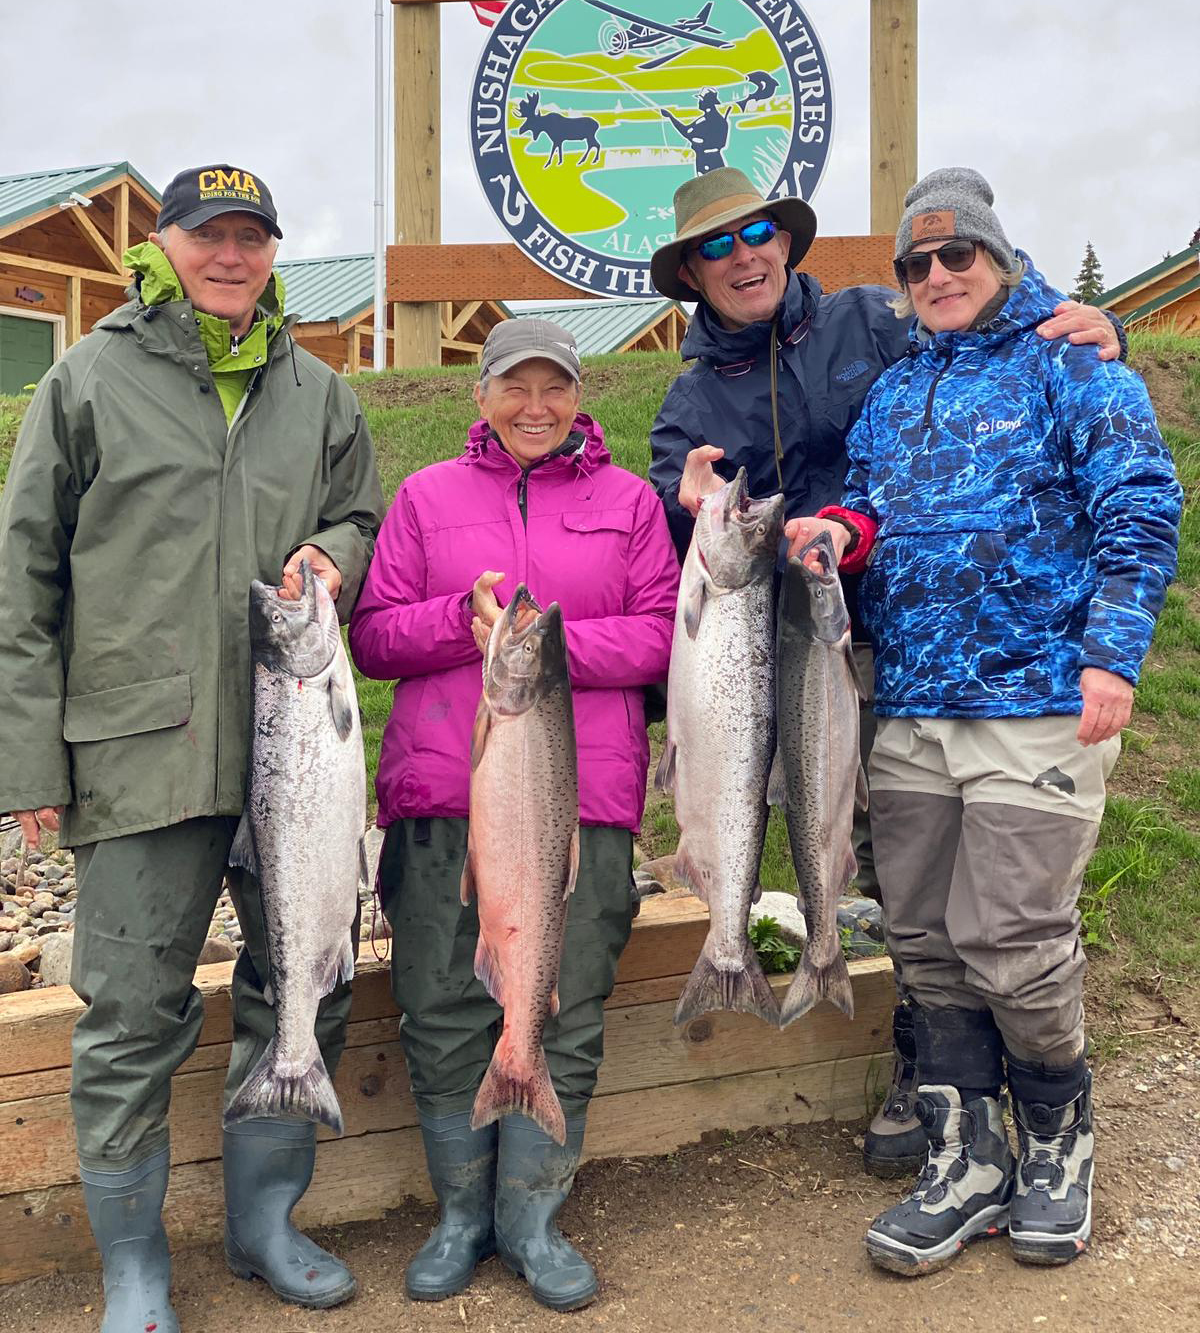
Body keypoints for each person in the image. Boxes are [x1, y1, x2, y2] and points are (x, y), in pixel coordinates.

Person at [647, 165, 1125, 1178]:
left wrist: (1089, 321)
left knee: (881, 841)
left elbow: (987, 344)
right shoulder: (688, 398)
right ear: (691, 271)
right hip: (760, 638)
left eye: (759, 232)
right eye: (718, 246)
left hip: (897, 637)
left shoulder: (877, 319)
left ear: (788, 238)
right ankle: (947, 1079)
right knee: (875, 866)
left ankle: (926, 1063)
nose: (745, 256)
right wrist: (688, 509)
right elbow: (669, 533)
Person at [0, 165, 384, 1331]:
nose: (232, 255)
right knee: (126, 1014)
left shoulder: (320, 391)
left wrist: (333, 552)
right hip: (136, 753)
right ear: (163, 244)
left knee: (301, 983)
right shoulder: (86, 377)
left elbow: (361, 512)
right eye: (209, 234)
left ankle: (266, 1221)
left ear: (274, 252)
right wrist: (27, 769)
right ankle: (134, 1265)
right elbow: (24, 580)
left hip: (295, 752)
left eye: (253, 236)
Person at [803, 167, 1181, 1275]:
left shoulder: (1076, 360)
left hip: (1040, 703)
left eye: (955, 255)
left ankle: (1060, 1139)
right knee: (924, 941)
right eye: (915, 265)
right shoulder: (893, 389)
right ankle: (967, 1153)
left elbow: (1141, 502)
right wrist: (838, 530)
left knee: (1012, 941)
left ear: (998, 258)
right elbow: (870, 499)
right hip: (913, 707)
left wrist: (1113, 654)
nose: (935, 276)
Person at [349, 318, 678, 1314]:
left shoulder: (628, 504)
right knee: (443, 1004)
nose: (536, 407)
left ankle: (531, 1215)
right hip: (442, 794)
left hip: (584, 803)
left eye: (557, 388)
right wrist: (462, 621)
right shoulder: (424, 497)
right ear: (479, 394)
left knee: (560, 1001)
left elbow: (665, 636)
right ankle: (461, 1212)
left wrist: (547, 644)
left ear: (581, 396)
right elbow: (372, 636)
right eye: (514, 387)